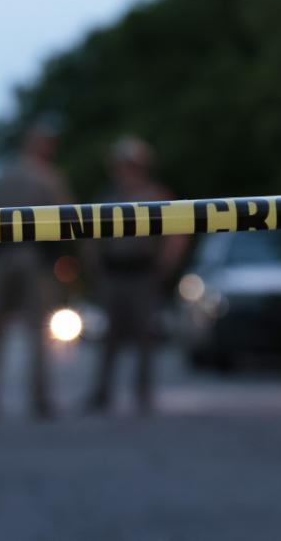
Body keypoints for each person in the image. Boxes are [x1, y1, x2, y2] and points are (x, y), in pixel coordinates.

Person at [0, 119, 73, 420]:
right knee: (36, 333)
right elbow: (67, 221)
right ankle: (40, 398)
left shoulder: (1, 176)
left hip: (1, 257)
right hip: (34, 258)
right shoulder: (50, 178)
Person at [84, 136, 188, 415]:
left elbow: (177, 233)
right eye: (121, 165)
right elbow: (90, 237)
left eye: (130, 165)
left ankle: (143, 394)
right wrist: (95, 266)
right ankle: (102, 393)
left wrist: (164, 266)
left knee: (145, 335)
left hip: (143, 273)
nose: (125, 170)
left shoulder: (156, 196)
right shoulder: (108, 198)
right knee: (110, 337)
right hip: (115, 273)